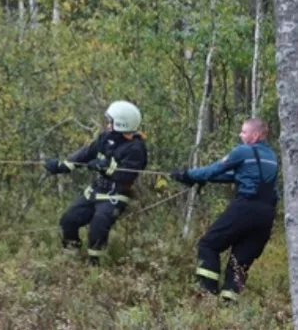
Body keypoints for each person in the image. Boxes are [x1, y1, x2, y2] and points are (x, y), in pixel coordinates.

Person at [170, 118, 278, 302]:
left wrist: (187, 175)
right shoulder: (272, 156)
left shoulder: (243, 151)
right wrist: (203, 178)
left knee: (209, 245)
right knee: (239, 262)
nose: (240, 135)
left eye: (243, 132)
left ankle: (207, 293)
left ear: (256, 135)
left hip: (246, 207)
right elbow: (237, 176)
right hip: (267, 215)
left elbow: (215, 169)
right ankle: (228, 305)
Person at [44, 101, 147, 264]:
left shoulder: (135, 148)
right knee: (68, 220)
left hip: (116, 195)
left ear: (121, 123)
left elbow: (128, 175)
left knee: (98, 225)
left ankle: (95, 264)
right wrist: (62, 166)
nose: (107, 124)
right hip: (94, 191)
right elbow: (86, 153)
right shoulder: (105, 138)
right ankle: (71, 255)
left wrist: (106, 167)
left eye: (111, 121)